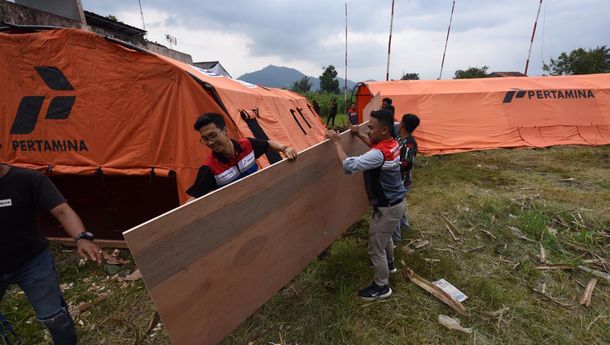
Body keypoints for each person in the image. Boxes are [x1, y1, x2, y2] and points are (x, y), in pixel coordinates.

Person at [0, 163, 103, 345]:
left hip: (31, 261)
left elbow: (62, 211)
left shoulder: (28, 179)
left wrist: (81, 238)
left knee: (54, 318)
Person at [326, 109, 406, 300]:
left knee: (375, 247)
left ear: (384, 130)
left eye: (371, 127)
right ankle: (390, 264)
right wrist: (358, 133)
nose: (368, 130)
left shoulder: (379, 153)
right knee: (385, 237)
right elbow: (373, 145)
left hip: (387, 207)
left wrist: (337, 143)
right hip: (395, 204)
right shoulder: (391, 144)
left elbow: (349, 165)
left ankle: (381, 286)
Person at [186, 112, 297, 201]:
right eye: (205, 139)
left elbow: (268, 144)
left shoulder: (247, 145)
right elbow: (192, 201)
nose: (210, 142)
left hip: (263, 199)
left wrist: (285, 149)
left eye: (213, 135)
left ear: (225, 131)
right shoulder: (209, 169)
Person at [392, 114, 420, 242]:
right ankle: (405, 225)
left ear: (402, 124)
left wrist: (387, 165)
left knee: (394, 210)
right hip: (399, 180)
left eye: (401, 121)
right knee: (400, 203)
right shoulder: (399, 138)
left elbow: (406, 164)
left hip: (401, 181)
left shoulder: (410, 143)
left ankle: (396, 238)